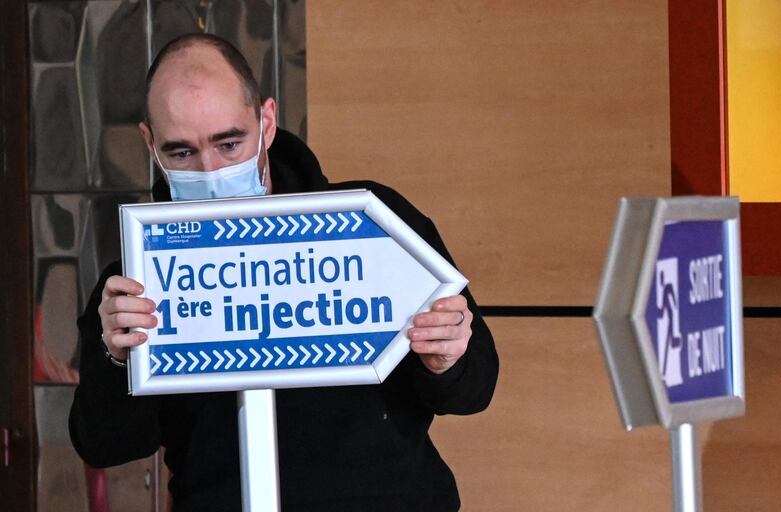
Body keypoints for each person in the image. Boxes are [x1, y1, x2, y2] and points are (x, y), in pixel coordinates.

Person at [69, 33, 498, 512]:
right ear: (150, 143)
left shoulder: (376, 224)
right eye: (182, 153)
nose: (211, 172)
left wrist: (447, 359)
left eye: (229, 143)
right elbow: (104, 445)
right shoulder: (133, 282)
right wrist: (116, 359)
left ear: (267, 123)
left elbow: (476, 387)